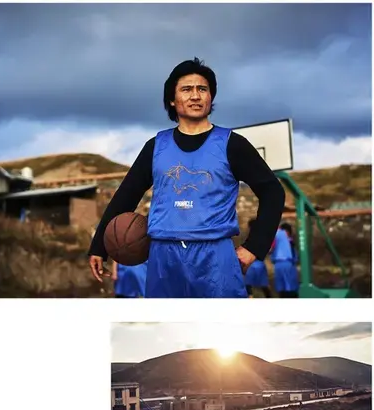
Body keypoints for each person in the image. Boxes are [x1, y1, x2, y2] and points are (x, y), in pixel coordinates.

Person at [88, 57, 285, 297]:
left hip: (215, 256)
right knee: (166, 329)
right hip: (163, 256)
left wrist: (254, 248)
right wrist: (99, 245)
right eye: (186, 89)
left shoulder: (233, 144)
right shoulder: (156, 147)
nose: (195, 96)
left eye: (202, 89)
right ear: (172, 99)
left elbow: (273, 191)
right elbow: (126, 196)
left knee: (223, 330)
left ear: (210, 97)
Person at [244, 219, 273, 297]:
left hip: (251, 265)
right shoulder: (263, 236)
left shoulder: (249, 237)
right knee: (264, 286)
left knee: (248, 286)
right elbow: (269, 250)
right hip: (260, 264)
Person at [271, 222, 300, 297]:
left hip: (280, 264)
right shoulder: (286, 239)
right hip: (286, 264)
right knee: (289, 288)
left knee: (283, 288)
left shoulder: (278, 235)